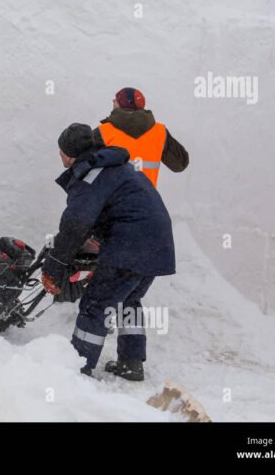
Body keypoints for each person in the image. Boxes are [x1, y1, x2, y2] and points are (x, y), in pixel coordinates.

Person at [41, 123, 175, 380]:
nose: (59, 156)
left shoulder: (90, 176)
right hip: (158, 245)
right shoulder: (118, 168)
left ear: (69, 154)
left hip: (129, 247)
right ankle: (131, 363)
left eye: (60, 151)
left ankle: (78, 367)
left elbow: (74, 225)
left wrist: (54, 266)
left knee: (95, 304)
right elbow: (118, 210)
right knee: (128, 301)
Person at [93, 87, 189, 188]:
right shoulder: (160, 132)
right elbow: (180, 164)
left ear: (124, 104)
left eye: (117, 98)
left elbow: (80, 166)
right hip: (146, 200)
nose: (113, 100)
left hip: (113, 200)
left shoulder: (103, 131)